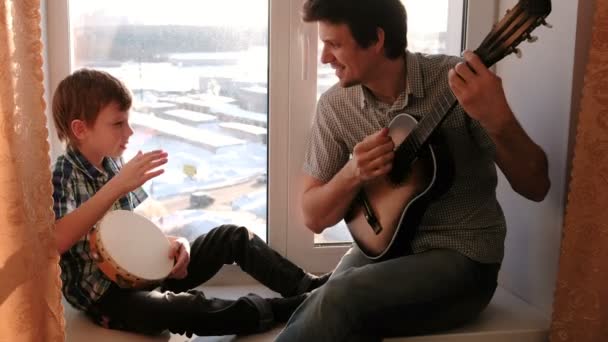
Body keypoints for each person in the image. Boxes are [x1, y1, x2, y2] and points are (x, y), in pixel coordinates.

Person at [275, 0, 550, 341]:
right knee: (324, 297)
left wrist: (499, 118)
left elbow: (536, 186)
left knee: (338, 299)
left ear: (376, 39)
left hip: (463, 259)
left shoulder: (457, 84)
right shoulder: (336, 106)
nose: (324, 58)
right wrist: (353, 172)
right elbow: (313, 216)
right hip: (383, 252)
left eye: (334, 44)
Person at [51, 69, 329, 337]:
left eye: (128, 121)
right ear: (80, 129)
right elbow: (58, 239)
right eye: (118, 123)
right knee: (185, 308)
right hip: (107, 297)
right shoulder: (64, 174)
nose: (130, 132)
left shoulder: (111, 164)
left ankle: (307, 286)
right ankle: (284, 309)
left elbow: (128, 234)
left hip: (142, 275)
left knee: (232, 237)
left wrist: (173, 245)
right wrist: (116, 186)